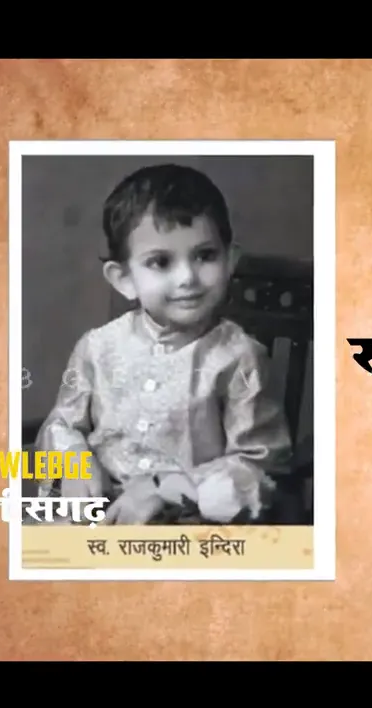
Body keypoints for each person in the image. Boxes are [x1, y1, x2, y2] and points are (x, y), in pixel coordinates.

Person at [34, 163, 292, 525]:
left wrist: (165, 487)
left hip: (186, 523)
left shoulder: (239, 357)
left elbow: (258, 463)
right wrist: (75, 460)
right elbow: (63, 423)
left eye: (205, 256)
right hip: (94, 514)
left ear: (230, 259)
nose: (187, 277)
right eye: (160, 262)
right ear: (124, 279)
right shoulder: (97, 348)